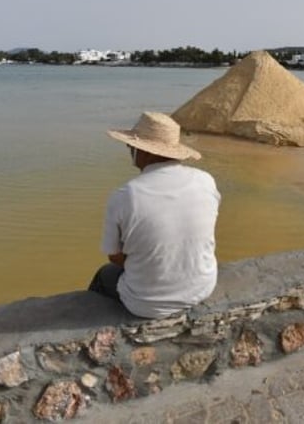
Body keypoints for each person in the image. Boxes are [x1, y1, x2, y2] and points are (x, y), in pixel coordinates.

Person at [88, 111, 220, 318]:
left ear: (146, 152)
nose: (129, 149)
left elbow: (114, 256)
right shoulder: (205, 181)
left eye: (132, 146)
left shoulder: (125, 195)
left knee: (104, 275)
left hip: (145, 304)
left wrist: (149, 264)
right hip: (202, 288)